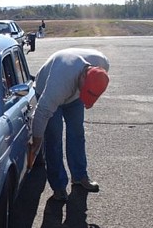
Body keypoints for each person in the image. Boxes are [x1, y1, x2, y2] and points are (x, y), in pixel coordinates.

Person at [27, 48, 110, 201]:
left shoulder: (101, 64)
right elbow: (42, 113)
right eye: (84, 91)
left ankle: (79, 176)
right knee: (54, 138)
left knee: (77, 134)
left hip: (74, 96)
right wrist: (36, 141)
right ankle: (58, 186)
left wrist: (87, 96)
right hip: (46, 88)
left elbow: (94, 88)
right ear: (83, 77)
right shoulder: (58, 84)